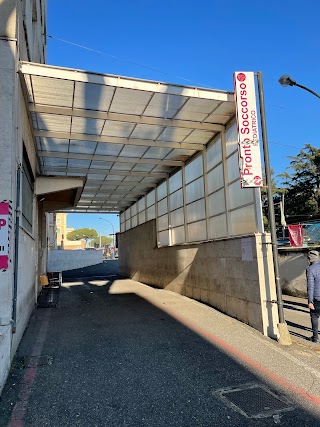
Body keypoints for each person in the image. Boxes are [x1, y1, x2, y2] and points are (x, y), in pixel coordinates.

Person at [306, 250, 320, 342]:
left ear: (310, 259)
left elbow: (310, 287)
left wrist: (310, 302)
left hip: (317, 298)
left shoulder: (310, 269)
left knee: (314, 317)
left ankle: (315, 338)